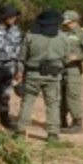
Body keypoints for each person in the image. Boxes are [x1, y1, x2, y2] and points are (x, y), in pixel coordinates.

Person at [12, 8, 70, 142]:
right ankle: (53, 134)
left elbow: (22, 57)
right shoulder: (63, 37)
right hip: (53, 76)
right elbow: (66, 58)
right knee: (53, 104)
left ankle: (20, 132)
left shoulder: (30, 36)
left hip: (33, 74)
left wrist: (19, 73)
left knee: (27, 102)